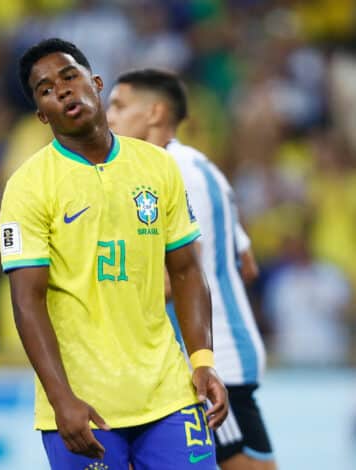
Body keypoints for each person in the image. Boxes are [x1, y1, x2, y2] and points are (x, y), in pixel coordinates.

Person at [0, 38, 228, 470]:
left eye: (70, 77)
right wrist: (61, 399)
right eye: (46, 89)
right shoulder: (28, 186)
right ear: (39, 113)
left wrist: (203, 361)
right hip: (84, 406)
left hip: (168, 394)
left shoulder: (158, 166)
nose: (62, 90)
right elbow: (27, 301)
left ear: (96, 83)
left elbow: (186, 271)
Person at [106, 68, 276, 469]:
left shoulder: (166, 170)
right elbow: (245, 263)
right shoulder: (201, 166)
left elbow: (177, 275)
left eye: (118, 105)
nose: (108, 115)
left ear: (154, 113)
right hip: (222, 353)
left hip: (214, 364)